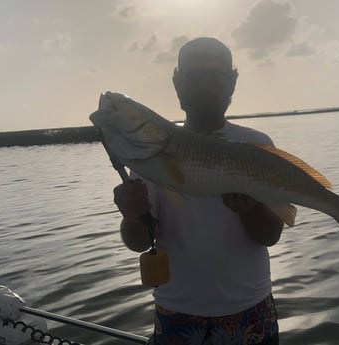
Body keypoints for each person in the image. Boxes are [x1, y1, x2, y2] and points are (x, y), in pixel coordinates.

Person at [114, 37, 283, 345]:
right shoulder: (153, 152)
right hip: (178, 311)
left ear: (232, 83)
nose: (206, 85)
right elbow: (138, 242)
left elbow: (271, 235)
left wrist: (252, 210)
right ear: (177, 83)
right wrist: (131, 215)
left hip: (250, 307)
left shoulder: (258, 145)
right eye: (195, 76)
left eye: (217, 76)